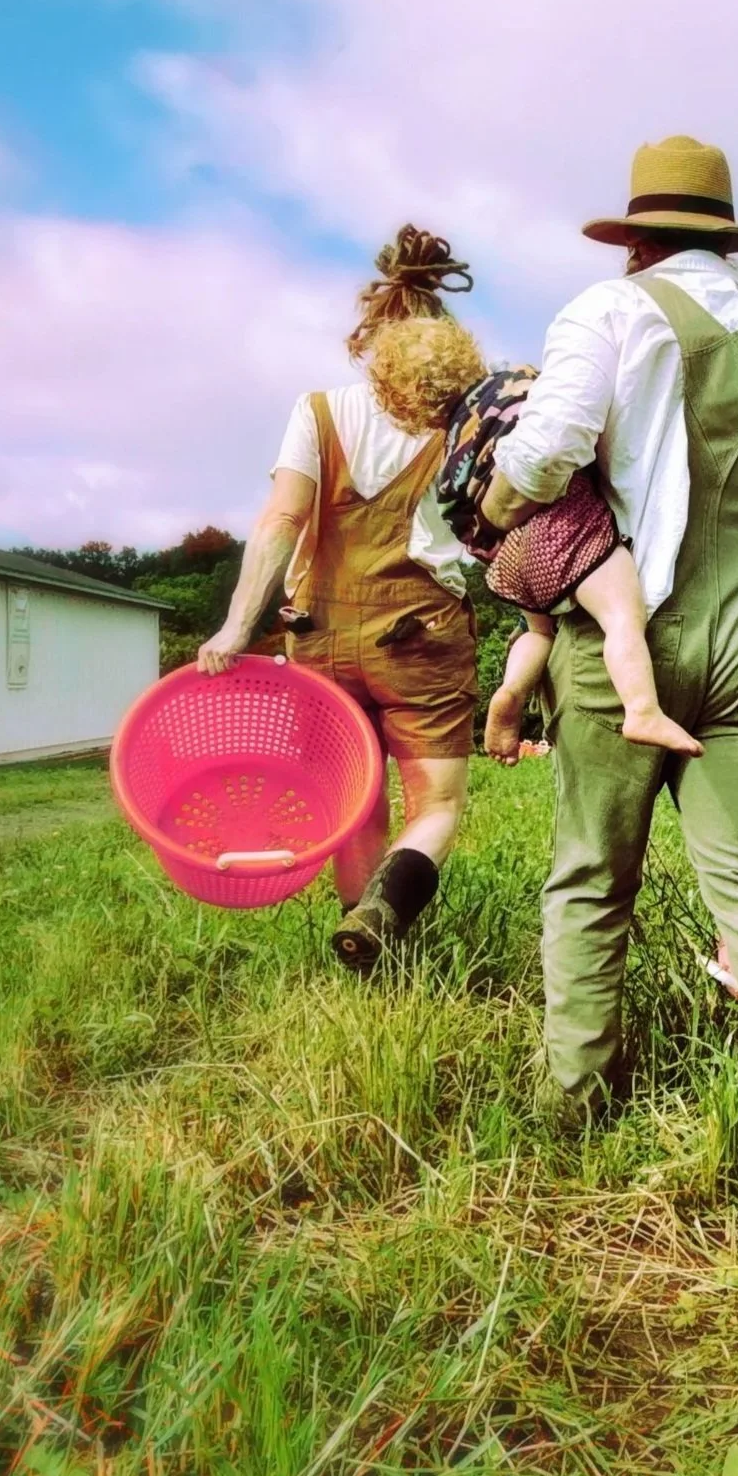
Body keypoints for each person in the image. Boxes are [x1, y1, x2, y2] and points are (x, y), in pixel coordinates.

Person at [478, 135, 738, 1220]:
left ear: (635, 239)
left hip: (620, 646)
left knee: (588, 879)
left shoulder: (604, 315)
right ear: (724, 240)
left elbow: (548, 445)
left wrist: (497, 507)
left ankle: (573, 1101)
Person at [199, 226, 482, 973]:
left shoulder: (319, 412)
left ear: (373, 329)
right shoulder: (462, 423)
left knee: (354, 800)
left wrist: (236, 626)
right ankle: (387, 910)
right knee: (438, 807)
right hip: (422, 642)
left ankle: (368, 958)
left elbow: (279, 522)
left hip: (319, 636)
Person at [438, 365, 702, 763]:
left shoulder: (459, 436)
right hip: (564, 529)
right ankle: (642, 710)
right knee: (621, 617)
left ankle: (512, 688)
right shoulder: (522, 382)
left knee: (539, 634)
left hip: (510, 552)